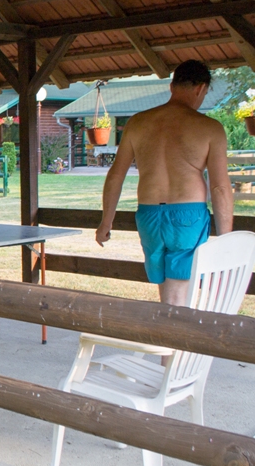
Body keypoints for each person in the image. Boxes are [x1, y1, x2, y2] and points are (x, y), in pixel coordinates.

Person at [96, 60, 233, 307]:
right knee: (178, 294)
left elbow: (115, 175)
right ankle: (171, 331)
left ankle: (167, 328)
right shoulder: (210, 128)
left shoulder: (137, 123)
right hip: (187, 215)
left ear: (172, 86)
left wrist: (106, 221)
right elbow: (220, 188)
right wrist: (226, 240)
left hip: (148, 215)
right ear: (201, 88)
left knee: (167, 290)